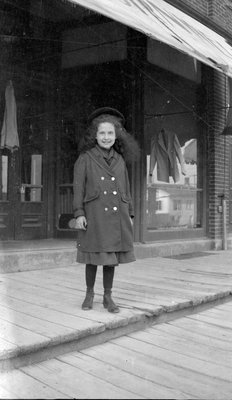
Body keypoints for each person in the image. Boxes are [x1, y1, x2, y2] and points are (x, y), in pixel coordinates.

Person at [73, 107, 140, 313]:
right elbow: (78, 188)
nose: (106, 137)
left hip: (116, 216)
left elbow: (126, 190)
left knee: (110, 258)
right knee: (93, 256)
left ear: (116, 135)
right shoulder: (85, 158)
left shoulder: (119, 160)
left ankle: (108, 296)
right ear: (95, 135)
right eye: (102, 133)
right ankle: (89, 293)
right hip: (94, 216)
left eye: (110, 133)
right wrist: (79, 214)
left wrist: (129, 214)